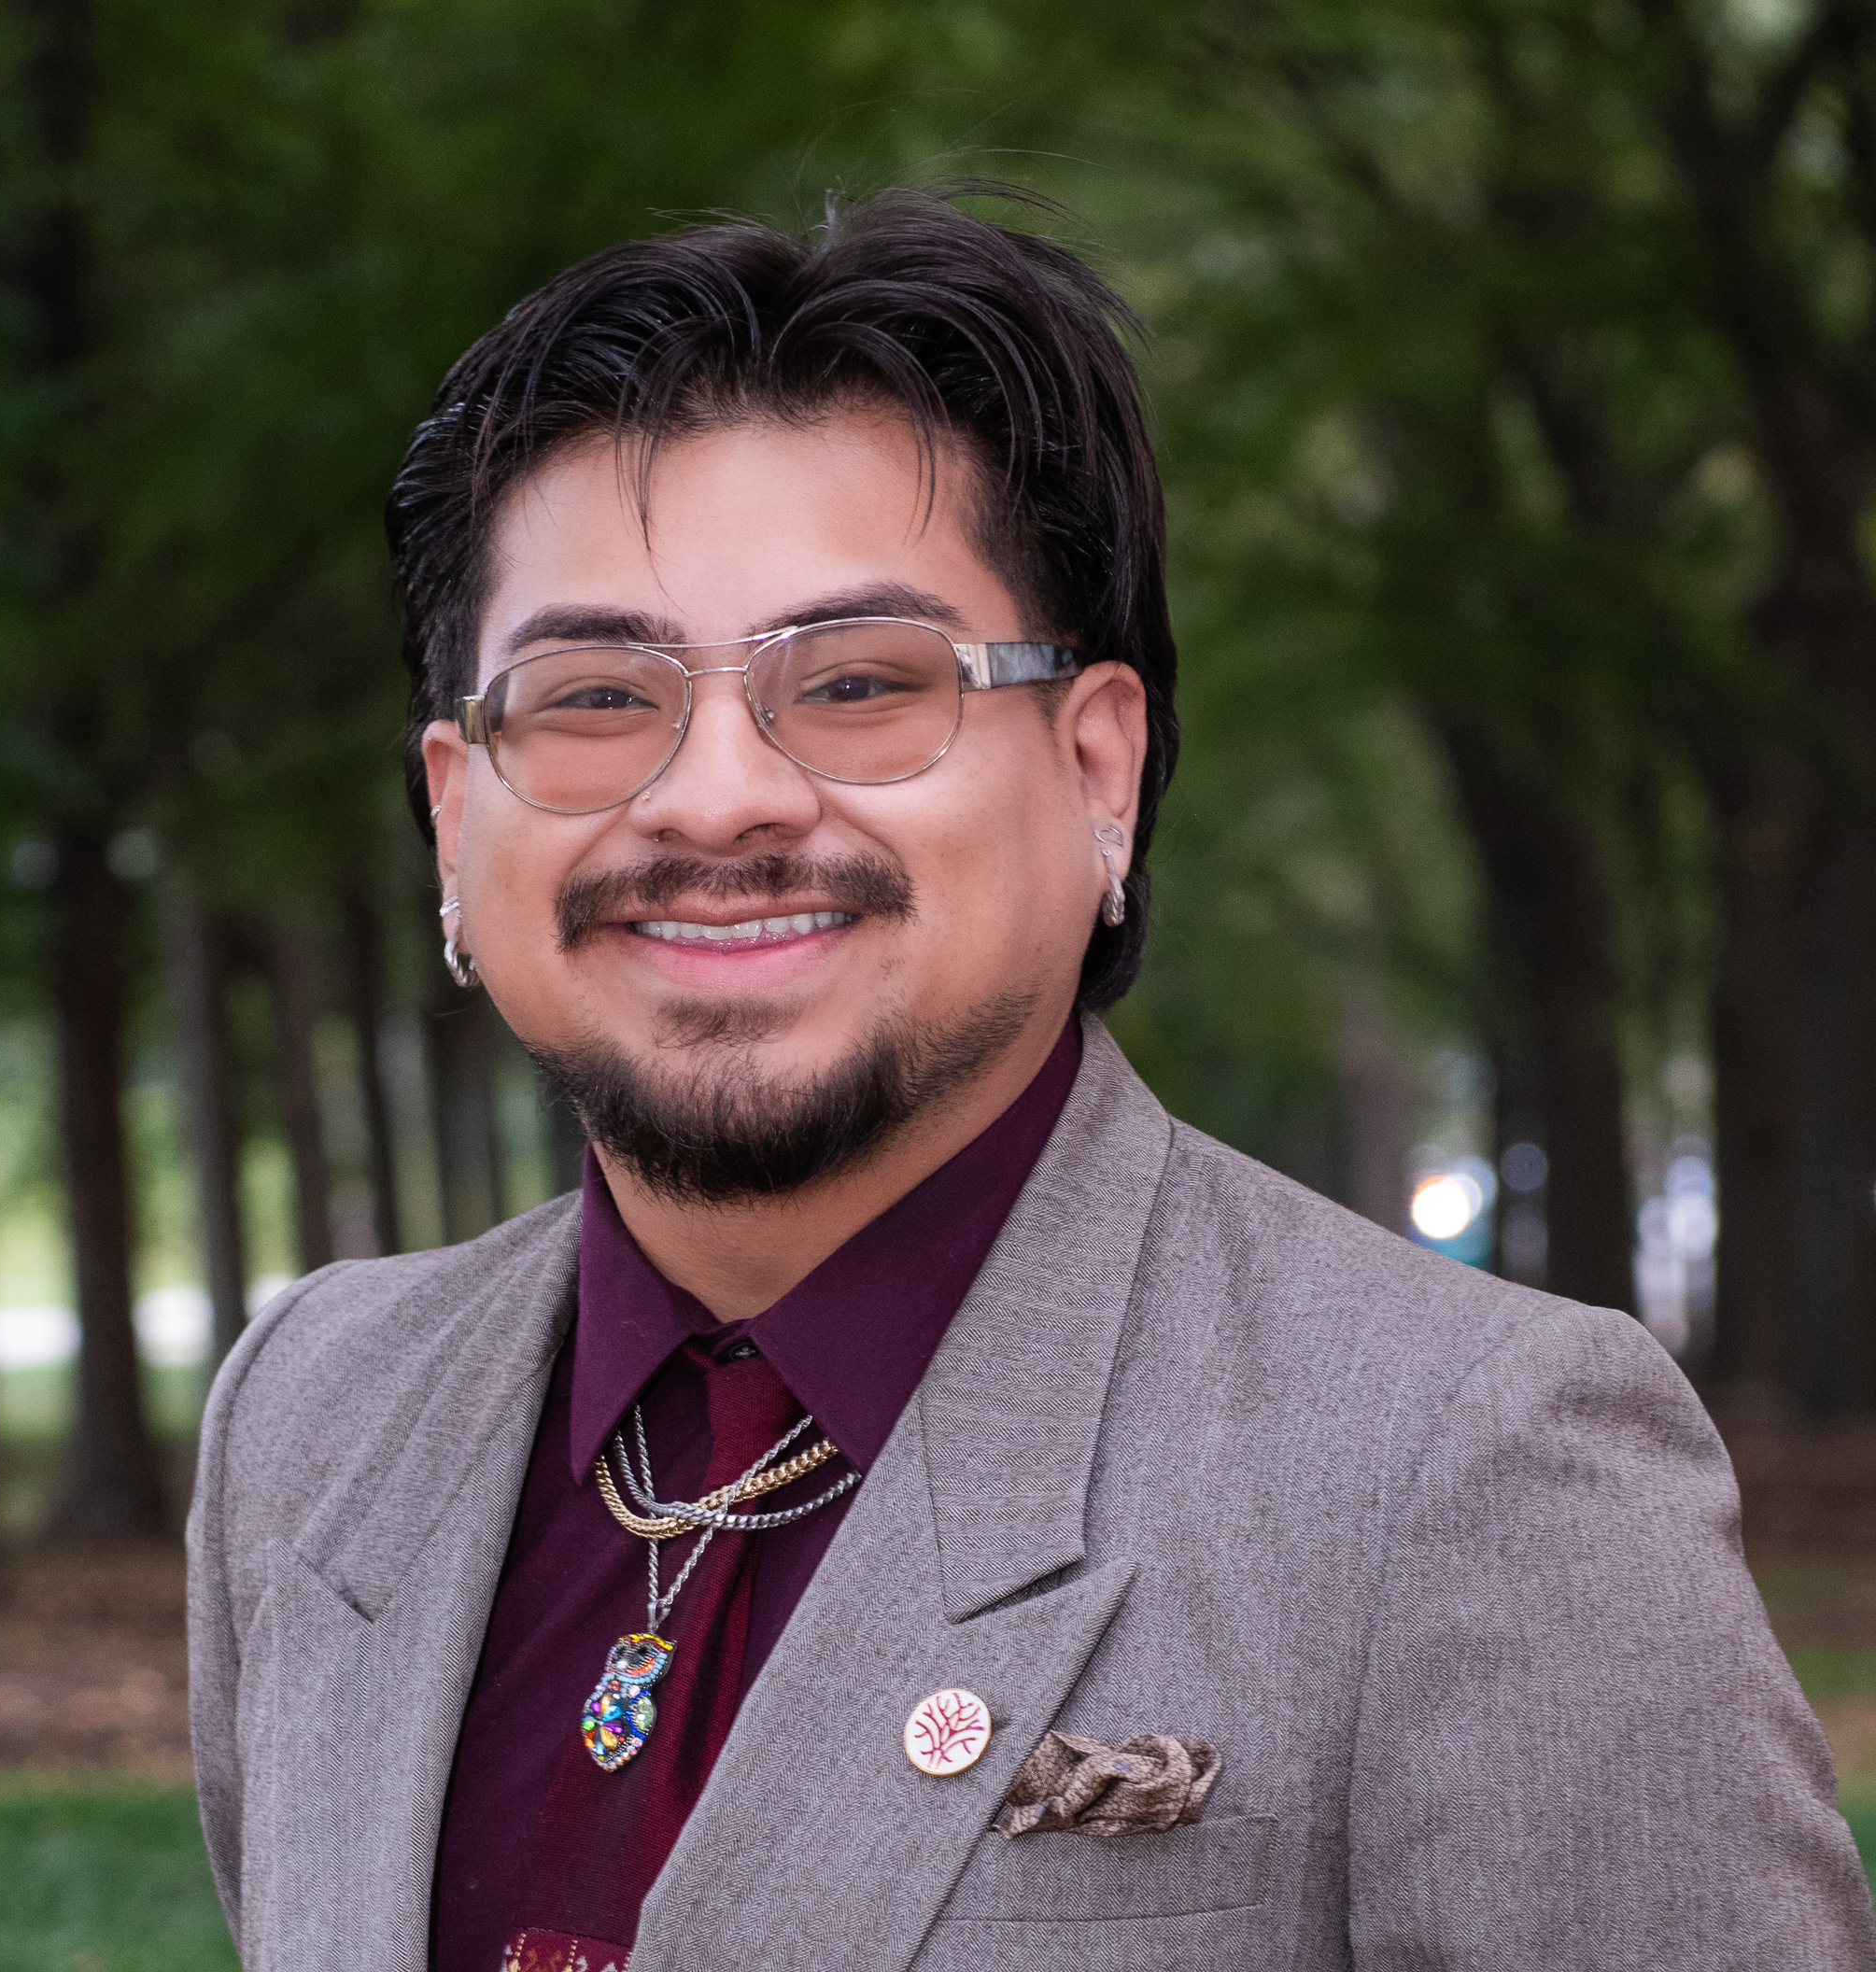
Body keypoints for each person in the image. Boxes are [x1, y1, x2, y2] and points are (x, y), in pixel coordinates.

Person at [186, 190, 1875, 1972]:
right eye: (597, 696)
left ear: (1098, 769)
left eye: (855, 683)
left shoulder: (1473, 1474)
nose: (717, 801)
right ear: (457, 815)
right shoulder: (316, 1421)